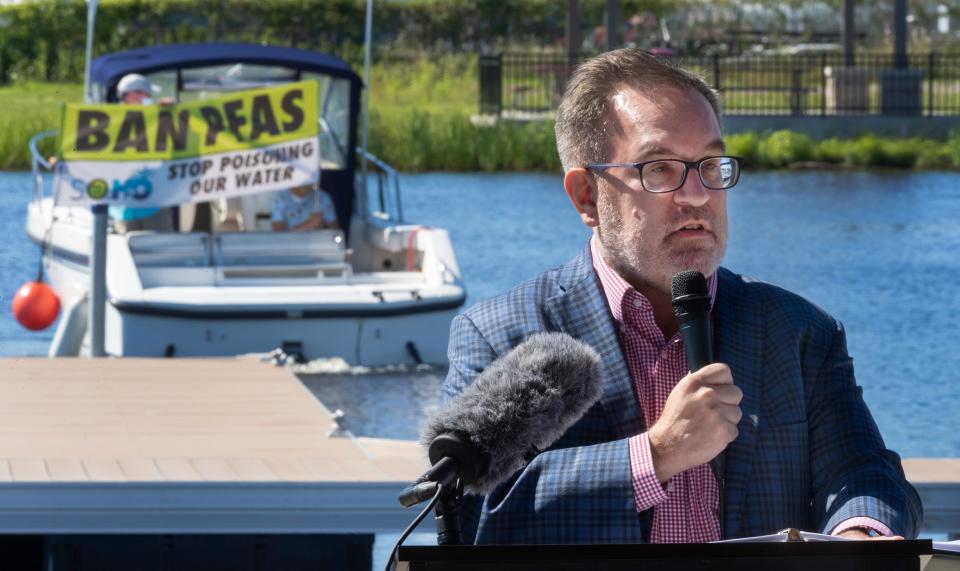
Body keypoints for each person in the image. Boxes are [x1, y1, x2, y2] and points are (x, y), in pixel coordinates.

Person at [443, 49, 922, 545]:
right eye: (661, 169)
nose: (697, 195)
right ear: (587, 195)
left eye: (711, 165)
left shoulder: (799, 331)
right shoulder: (502, 333)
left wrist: (862, 531)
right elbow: (474, 517)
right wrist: (656, 454)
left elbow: (866, 473)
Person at [110, 74, 175, 232]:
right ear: (133, 94)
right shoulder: (109, 119)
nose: (150, 98)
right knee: (125, 252)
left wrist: (171, 112)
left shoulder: (156, 116)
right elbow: (84, 146)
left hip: (155, 203)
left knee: (162, 249)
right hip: (123, 206)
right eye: (147, 94)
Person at [271, 184, 339, 232]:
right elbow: (278, 234)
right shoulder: (281, 198)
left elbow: (335, 232)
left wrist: (323, 228)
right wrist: (309, 224)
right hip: (290, 248)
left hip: (317, 246)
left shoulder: (322, 197)